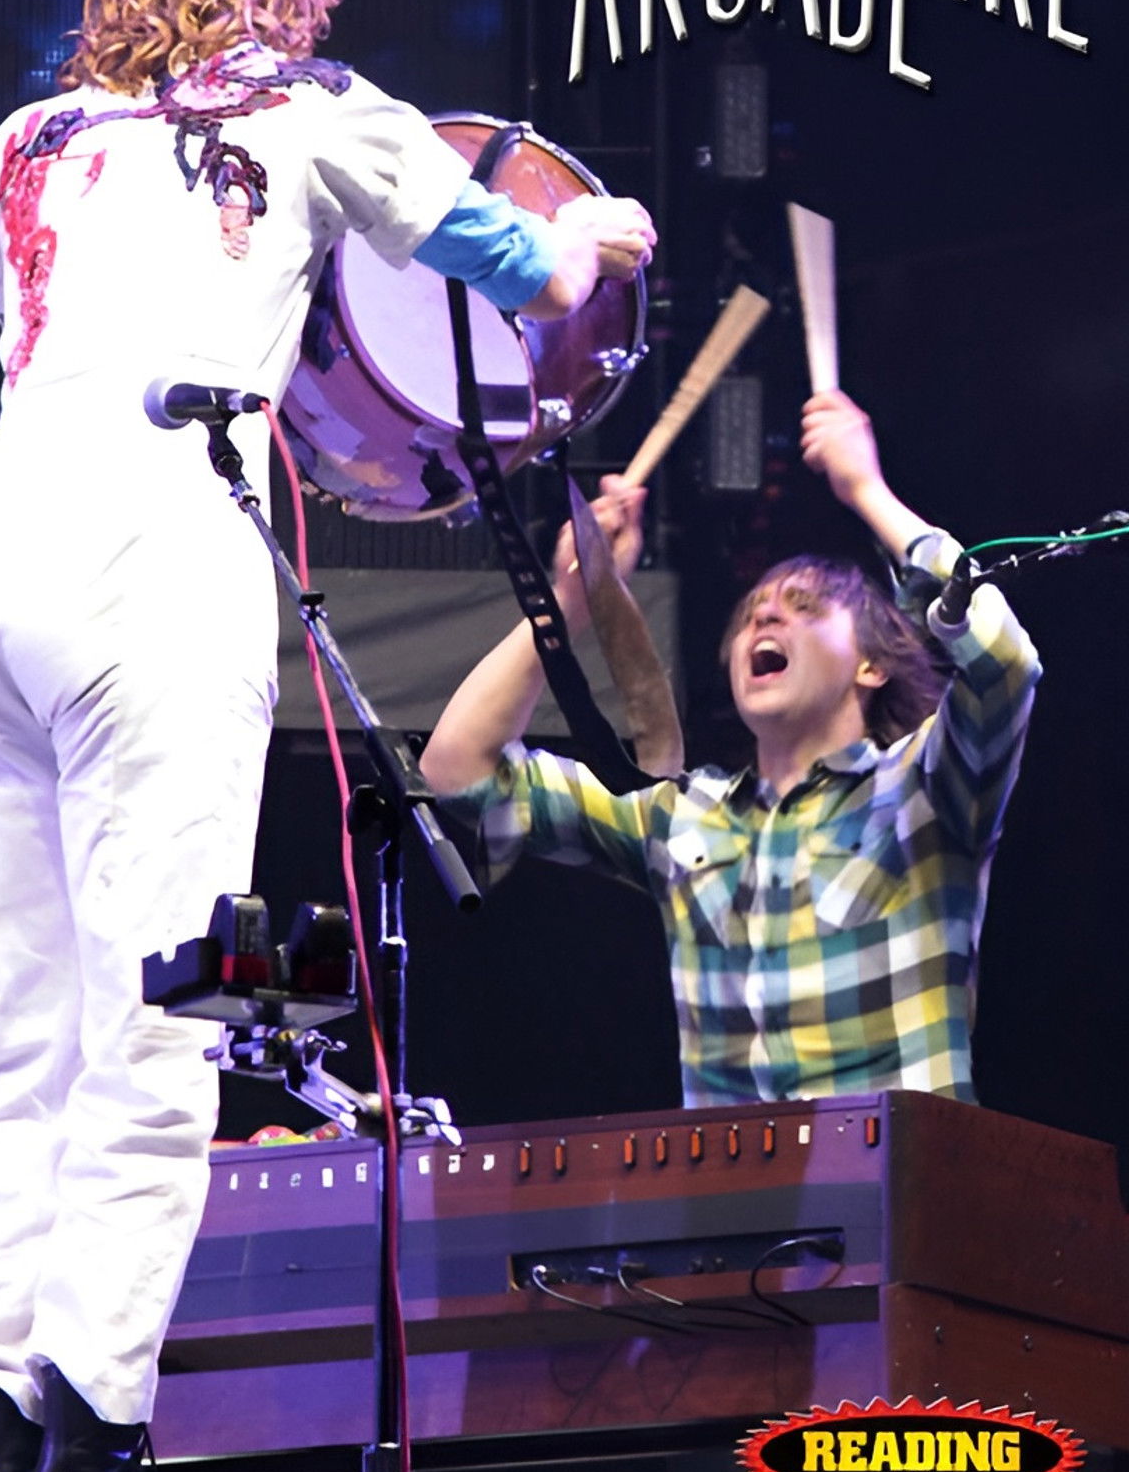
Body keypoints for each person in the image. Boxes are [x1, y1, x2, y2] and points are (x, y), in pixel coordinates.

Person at [0, 0, 655, 1472]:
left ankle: (6, 1467)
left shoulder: (27, 135)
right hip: (149, 547)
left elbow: (24, 310)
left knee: (9, 1029)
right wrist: (607, 234)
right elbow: (513, 254)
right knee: (161, 1013)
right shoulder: (313, 109)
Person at [420, 387, 1041, 1108]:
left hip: (903, 1192)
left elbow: (1006, 661)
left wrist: (866, 489)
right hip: (736, 1200)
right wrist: (571, 597)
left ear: (872, 667)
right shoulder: (683, 818)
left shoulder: (924, 790)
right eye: (751, 614)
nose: (765, 613)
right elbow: (456, 770)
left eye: (804, 607)